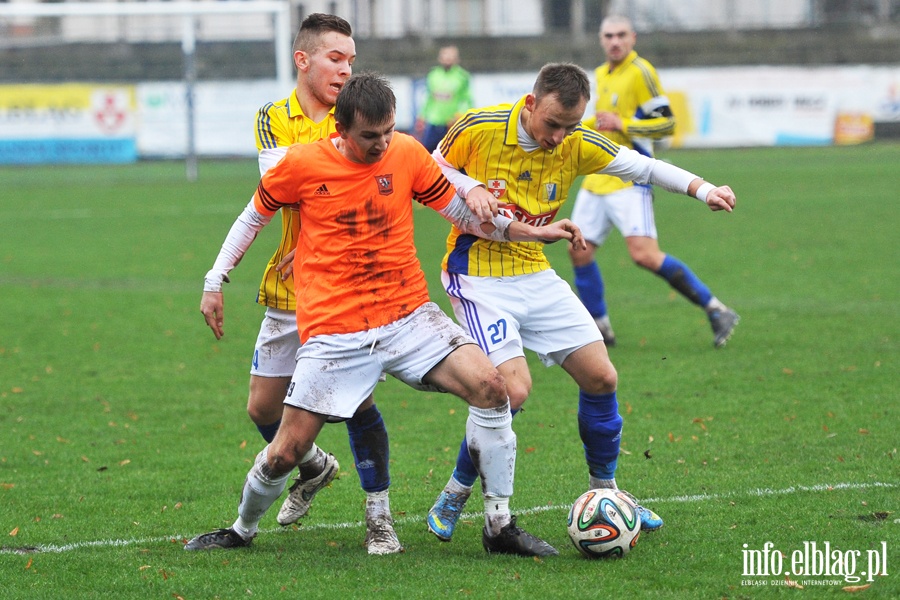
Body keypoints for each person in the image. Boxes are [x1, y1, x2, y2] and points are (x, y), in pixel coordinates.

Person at [186, 73, 586, 557]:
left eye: (388, 132)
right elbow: (254, 216)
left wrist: (526, 231)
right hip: (335, 330)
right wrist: (215, 278)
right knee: (287, 452)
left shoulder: (408, 153)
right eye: (369, 136)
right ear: (340, 127)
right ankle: (241, 530)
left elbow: (461, 213)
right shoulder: (302, 164)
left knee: (492, 387)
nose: (381, 144)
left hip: (408, 314)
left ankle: (498, 524)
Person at [424, 62, 737, 542]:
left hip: (535, 270)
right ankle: (455, 492)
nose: (559, 138)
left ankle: (606, 494)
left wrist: (705, 189)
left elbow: (644, 166)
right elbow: (429, 169)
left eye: (570, 126)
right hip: (478, 275)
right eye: (553, 124)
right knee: (512, 391)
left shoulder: (577, 141)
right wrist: (472, 186)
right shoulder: (479, 127)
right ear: (530, 104)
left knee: (602, 376)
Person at [199, 14, 400, 555]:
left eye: (351, 60)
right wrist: (216, 278)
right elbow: (281, 189)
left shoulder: (356, 115)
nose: (346, 68)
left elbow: (357, 178)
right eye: (336, 58)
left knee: (357, 404)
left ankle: (379, 516)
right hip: (290, 287)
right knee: (263, 409)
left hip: (348, 288)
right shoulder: (273, 117)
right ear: (303, 60)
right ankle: (315, 468)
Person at [568, 15, 739, 348]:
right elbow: (604, 122)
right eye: (608, 36)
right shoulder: (601, 74)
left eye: (620, 35)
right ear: (601, 40)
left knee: (644, 255)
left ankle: (716, 310)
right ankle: (600, 327)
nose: (614, 41)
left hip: (631, 178)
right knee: (579, 251)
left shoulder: (641, 72)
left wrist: (625, 123)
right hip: (596, 178)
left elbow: (666, 125)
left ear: (632, 38)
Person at [415, 45, 474, 153]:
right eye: (445, 55)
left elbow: (467, 100)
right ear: (440, 58)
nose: (447, 58)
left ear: (457, 59)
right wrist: (422, 116)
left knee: (453, 154)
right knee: (427, 152)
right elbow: (429, 97)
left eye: (451, 56)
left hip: (452, 123)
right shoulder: (433, 75)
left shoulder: (462, 76)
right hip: (434, 121)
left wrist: (459, 115)